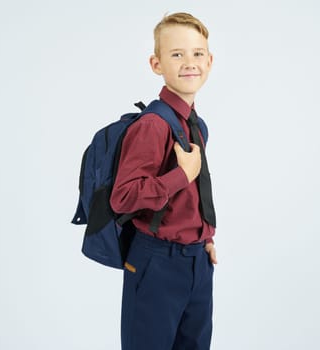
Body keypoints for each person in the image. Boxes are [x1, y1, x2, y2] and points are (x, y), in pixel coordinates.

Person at [109, 12, 218, 350]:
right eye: (177, 54)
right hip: (157, 262)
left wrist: (205, 235)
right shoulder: (153, 125)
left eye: (197, 53)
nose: (190, 62)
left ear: (210, 61)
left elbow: (192, 195)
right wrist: (181, 174)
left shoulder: (196, 125)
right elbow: (123, 197)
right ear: (157, 64)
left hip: (197, 261)